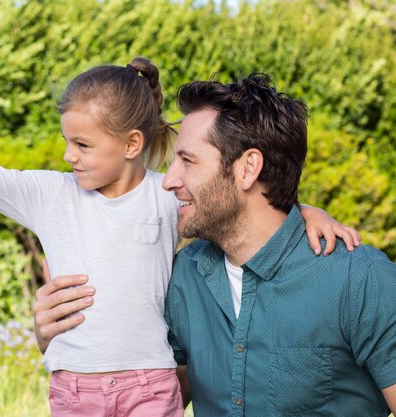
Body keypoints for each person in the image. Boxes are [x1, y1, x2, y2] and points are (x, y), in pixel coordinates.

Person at [0, 60, 359, 417]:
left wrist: (308, 210)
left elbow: (237, 200)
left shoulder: (164, 197)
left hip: (152, 385)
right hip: (75, 390)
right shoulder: (49, 195)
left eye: (82, 145)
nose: (69, 156)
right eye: (67, 143)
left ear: (131, 143)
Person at [34, 73, 396, 416]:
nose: (168, 181)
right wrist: (62, 340)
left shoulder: (359, 279)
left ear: (247, 168)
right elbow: (151, 394)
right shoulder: (184, 277)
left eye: (187, 161)